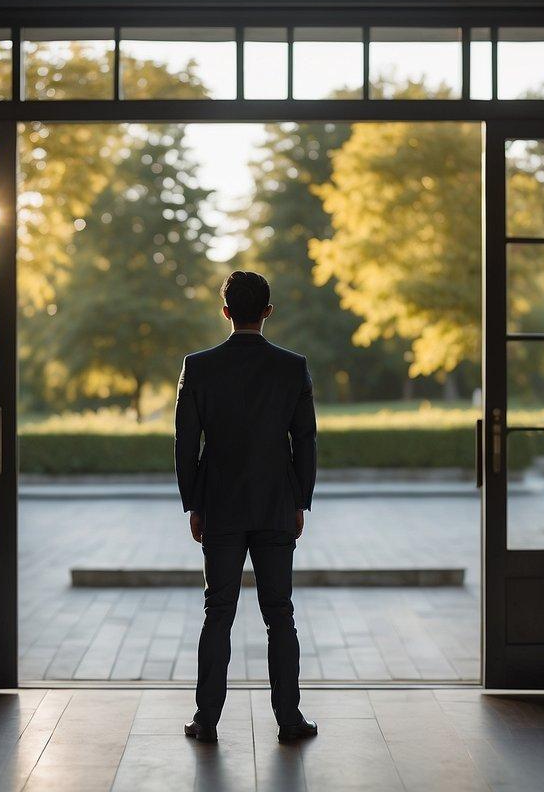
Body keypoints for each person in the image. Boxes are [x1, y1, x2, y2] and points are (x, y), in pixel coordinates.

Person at [174, 270, 319, 744]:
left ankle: (206, 720)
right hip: (276, 504)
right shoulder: (293, 367)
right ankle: (289, 720)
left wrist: (193, 502)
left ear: (226, 312)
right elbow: (305, 441)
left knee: (218, 611)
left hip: (220, 505)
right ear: (267, 312)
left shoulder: (197, 367)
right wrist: (300, 500)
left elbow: (184, 442)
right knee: (280, 613)